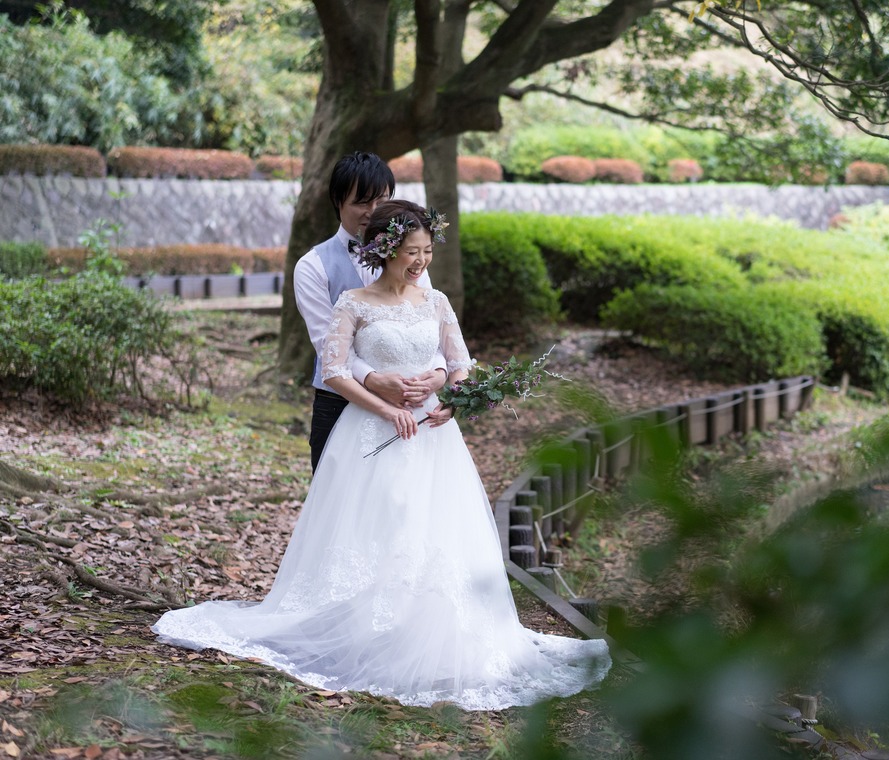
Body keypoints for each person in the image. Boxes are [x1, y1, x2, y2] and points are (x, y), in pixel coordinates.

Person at [153, 201, 610, 709]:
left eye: (427, 251)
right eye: (412, 251)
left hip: (432, 437)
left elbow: (460, 363)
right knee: (377, 524)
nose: (421, 261)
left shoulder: (436, 302)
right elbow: (334, 372)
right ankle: (368, 627)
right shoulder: (353, 303)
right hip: (369, 434)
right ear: (387, 250)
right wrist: (387, 408)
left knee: (433, 527)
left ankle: (432, 629)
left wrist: (452, 400)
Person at [292, 151, 446, 471]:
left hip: (411, 405)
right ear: (338, 201)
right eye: (362, 202)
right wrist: (373, 379)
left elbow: (428, 322)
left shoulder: (411, 259)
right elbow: (327, 346)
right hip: (339, 404)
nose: (374, 212)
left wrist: (437, 372)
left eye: (382, 201)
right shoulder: (312, 267)